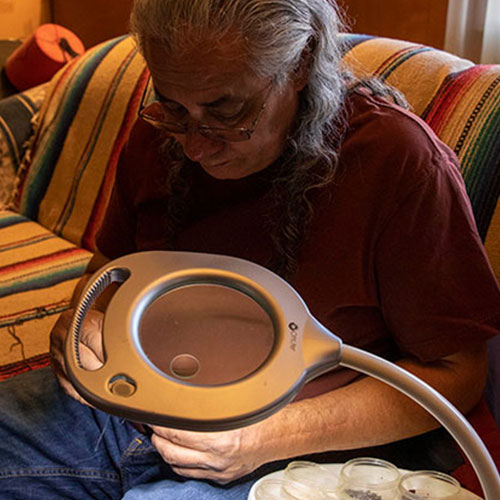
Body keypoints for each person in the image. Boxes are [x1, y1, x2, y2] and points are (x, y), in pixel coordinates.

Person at [1, 0, 499, 498]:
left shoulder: (398, 163)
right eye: (174, 106)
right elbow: (108, 274)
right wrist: (84, 320)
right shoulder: (161, 137)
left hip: (300, 442)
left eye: (226, 112)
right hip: (127, 408)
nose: (194, 147)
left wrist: (268, 437)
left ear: (301, 61)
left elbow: (456, 374)